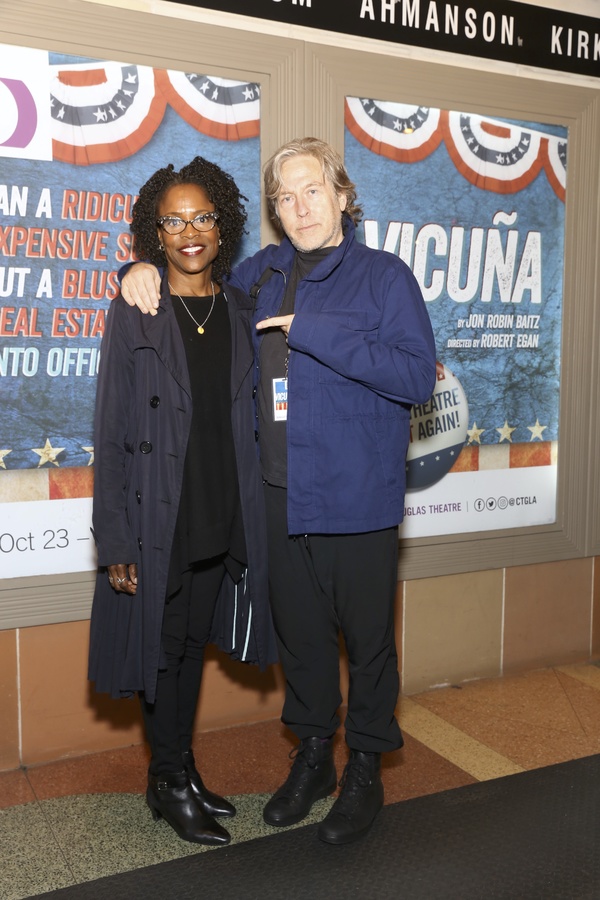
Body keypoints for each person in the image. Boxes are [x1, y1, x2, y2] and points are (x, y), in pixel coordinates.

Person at [119, 137, 437, 845]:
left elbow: (416, 378)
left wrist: (315, 330)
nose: (299, 208)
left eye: (312, 191)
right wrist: (135, 268)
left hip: (356, 500)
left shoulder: (385, 278)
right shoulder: (262, 273)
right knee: (301, 644)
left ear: (343, 197)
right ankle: (315, 758)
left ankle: (365, 770)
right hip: (275, 500)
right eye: (285, 197)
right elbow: (190, 276)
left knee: (368, 644)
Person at [89, 157, 276, 846]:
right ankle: (167, 781)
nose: (189, 231)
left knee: (192, 646)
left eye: (202, 217)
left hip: (218, 510)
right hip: (156, 515)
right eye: (174, 220)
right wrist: (114, 540)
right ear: (155, 233)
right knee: (160, 651)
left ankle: (180, 769)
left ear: (222, 226)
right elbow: (109, 431)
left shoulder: (241, 309)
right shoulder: (135, 308)